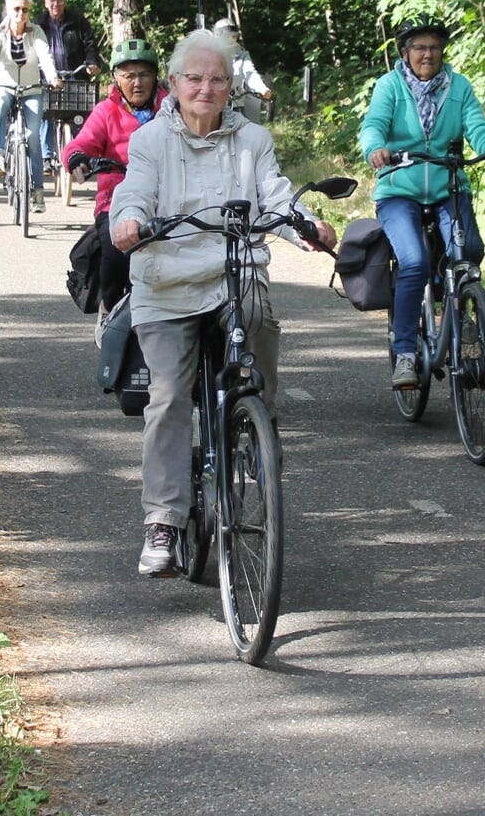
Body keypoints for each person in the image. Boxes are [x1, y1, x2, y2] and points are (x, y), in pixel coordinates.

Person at [110, 29, 338, 576]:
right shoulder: (150, 142)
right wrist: (129, 222)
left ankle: (257, 425)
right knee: (166, 397)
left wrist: (305, 227)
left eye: (217, 79)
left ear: (230, 86)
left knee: (259, 330)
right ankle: (163, 521)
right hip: (168, 284)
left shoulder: (252, 139)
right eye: (194, 78)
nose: (205, 88)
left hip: (235, 277)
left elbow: (277, 196)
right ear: (174, 84)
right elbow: (134, 190)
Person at [357, 14, 485, 391]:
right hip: (399, 188)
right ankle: (404, 353)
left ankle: (455, 302)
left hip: (449, 185)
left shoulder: (458, 86)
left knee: (470, 251)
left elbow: (478, 127)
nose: (427, 54)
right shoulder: (390, 86)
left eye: (433, 46)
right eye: (418, 47)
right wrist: (375, 149)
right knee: (413, 262)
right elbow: (373, 125)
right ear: (405, 52)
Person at [63, 38, 164, 321]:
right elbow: (81, 143)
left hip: (166, 196)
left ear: (155, 76)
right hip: (115, 199)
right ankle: (109, 308)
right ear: (116, 78)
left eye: (144, 74)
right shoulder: (106, 111)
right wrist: (77, 159)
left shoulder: (170, 108)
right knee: (114, 249)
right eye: (129, 75)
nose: (137, 82)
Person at [0, 0, 61, 207]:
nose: (21, 13)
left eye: (25, 9)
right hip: (5, 85)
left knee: (33, 137)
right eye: (16, 9)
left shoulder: (36, 32)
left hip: (31, 88)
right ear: (8, 10)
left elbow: (45, 55)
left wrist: (52, 77)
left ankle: (37, 191)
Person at [35, 0, 103, 166]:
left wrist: (91, 63)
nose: (55, 4)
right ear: (45, 4)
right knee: (47, 112)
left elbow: (90, 45)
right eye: (52, 1)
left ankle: (80, 154)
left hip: (74, 74)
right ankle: (46, 156)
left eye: (59, 0)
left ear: (65, 1)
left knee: (79, 115)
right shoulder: (38, 24)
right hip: (47, 75)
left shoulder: (78, 21)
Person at [212, 18, 271, 123]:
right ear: (219, 36)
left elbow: (250, 73)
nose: (233, 39)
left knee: (247, 129)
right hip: (213, 104)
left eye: (235, 36)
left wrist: (262, 89)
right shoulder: (208, 55)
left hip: (236, 104)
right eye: (229, 36)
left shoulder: (241, 55)